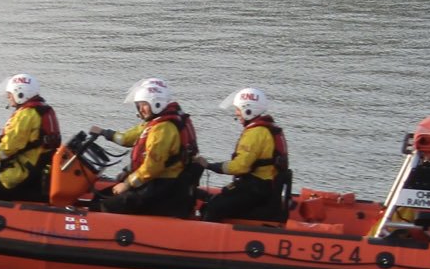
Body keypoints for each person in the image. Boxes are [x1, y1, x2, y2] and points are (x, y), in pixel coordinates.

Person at [87, 78, 200, 217]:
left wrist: (127, 184)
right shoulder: (157, 122)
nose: (140, 109)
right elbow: (127, 137)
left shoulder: (162, 129)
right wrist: (104, 133)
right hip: (162, 182)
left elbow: (152, 167)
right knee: (103, 195)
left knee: (104, 205)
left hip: (162, 186)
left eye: (143, 105)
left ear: (156, 103)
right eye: (139, 105)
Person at [195, 87, 290, 222]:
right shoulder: (269, 128)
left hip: (257, 188)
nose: (236, 113)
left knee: (214, 206)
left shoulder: (255, 133)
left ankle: (207, 239)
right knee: (224, 196)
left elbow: (240, 167)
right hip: (267, 186)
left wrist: (209, 165)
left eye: (238, 109)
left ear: (248, 110)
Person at [0, 73, 62, 202]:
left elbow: (10, 145)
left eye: (10, 94)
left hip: (23, 171)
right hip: (38, 170)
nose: (8, 97)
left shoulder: (26, 115)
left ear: (20, 93)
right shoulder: (44, 110)